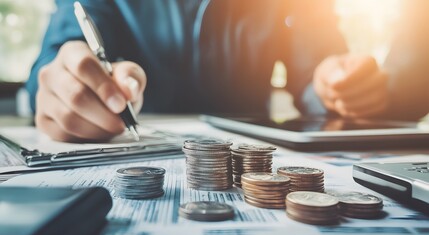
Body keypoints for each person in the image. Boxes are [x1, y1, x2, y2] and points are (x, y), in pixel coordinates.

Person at [26, 0, 429, 142]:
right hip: (125, 140)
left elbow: (316, 69)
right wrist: (59, 79)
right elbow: (61, 49)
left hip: (249, 149)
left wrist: (332, 85)